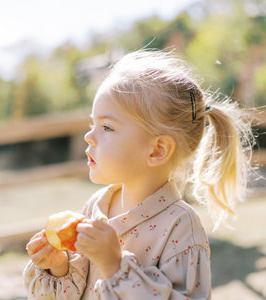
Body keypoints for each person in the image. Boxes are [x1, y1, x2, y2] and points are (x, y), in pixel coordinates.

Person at [23, 50, 254, 299]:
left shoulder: (180, 226)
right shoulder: (96, 206)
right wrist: (60, 268)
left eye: (107, 127)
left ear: (157, 150)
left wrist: (115, 266)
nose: (89, 136)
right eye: (93, 124)